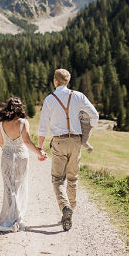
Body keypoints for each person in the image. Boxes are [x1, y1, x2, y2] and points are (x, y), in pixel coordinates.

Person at [37, 68, 99, 231]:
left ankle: (65, 208)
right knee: (73, 178)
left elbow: (42, 126)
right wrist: (87, 131)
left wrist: (39, 147)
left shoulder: (49, 99)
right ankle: (71, 208)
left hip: (59, 141)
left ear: (55, 81)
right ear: (68, 81)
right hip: (76, 141)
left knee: (57, 179)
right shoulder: (78, 96)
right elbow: (95, 115)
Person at [0, 97, 47, 232]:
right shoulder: (23, 122)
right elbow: (26, 141)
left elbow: (1, 142)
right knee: (19, 185)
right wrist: (39, 153)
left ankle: (9, 216)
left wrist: (8, 150)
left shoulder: (1, 123)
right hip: (21, 156)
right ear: (20, 108)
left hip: (7, 155)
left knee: (9, 186)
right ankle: (16, 216)